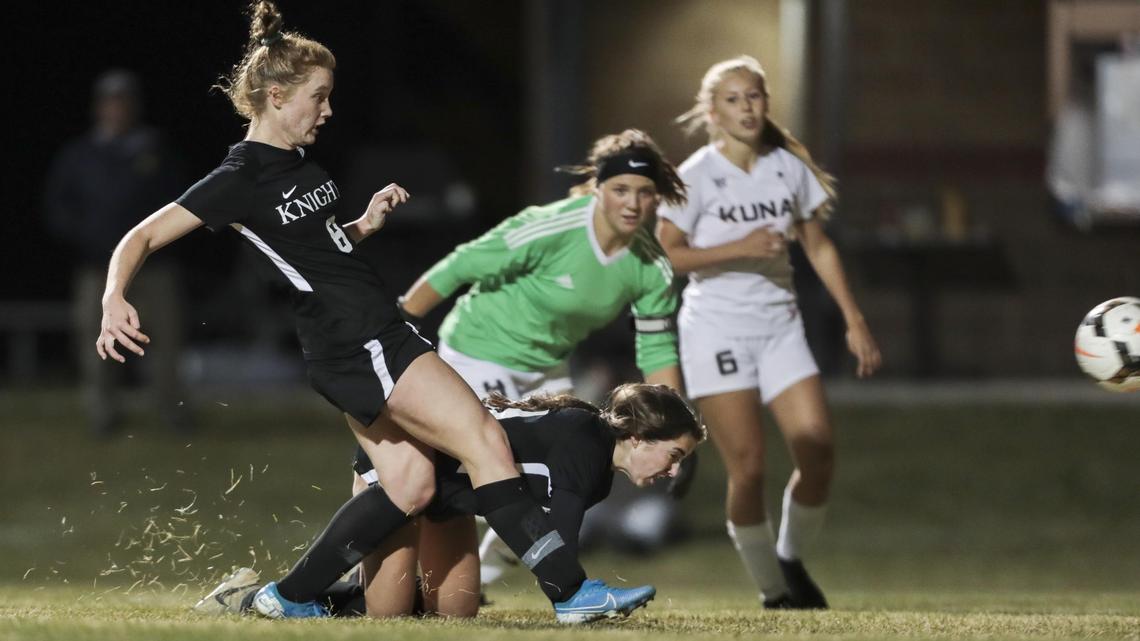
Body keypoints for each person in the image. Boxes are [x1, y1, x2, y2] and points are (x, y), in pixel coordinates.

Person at [95, 0, 654, 623]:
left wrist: (361, 225)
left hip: (359, 338)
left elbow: (315, 251)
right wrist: (114, 296)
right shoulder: (240, 175)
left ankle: (287, 599)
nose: (328, 110)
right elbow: (140, 236)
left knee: (411, 487)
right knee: (485, 439)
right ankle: (571, 595)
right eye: (319, 96)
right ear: (277, 96)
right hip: (361, 340)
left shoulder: (300, 166)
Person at [395, 128, 691, 584]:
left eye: (644, 192)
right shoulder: (555, 226)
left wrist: (672, 434)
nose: (632, 203)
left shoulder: (651, 267)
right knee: (452, 477)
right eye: (619, 190)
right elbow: (462, 264)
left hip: (547, 371)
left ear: (657, 199)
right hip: (478, 353)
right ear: (598, 188)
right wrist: (395, 332)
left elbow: (656, 348)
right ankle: (373, 575)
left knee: (569, 482)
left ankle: (483, 582)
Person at [656, 55, 882, 610]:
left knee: (818, 448)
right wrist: (740, 247)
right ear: (713, 112)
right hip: (716, 332)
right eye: (733, 100)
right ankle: (773, 590)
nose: (747, 108)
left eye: (754, 97)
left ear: (766, 103)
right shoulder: (696, 175)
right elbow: (667, 254)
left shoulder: (786, 167)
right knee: (749, 466)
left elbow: (818, 245)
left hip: (780, 328)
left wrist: (854, 319)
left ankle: (789, 557)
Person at [196, 383, 705, 619]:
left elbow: (529, 533)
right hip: (406, 470)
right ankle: (256, 597)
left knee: (455, 611)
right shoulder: (584, 441)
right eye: (674, 454)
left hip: (450, 501)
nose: (674, 470)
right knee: (388, 617)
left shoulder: (600, 479)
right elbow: (558, 551)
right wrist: (576, 597)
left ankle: (333, 594)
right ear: (638, 436)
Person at [44, 68, 190, 437]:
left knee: (165, 341)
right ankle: (103, 416)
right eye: (110, 101)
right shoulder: (80, 155)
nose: (117, 109)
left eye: (123, 101)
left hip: (154, 267)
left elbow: (184, 204)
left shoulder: (156, 150)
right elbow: (57, 206)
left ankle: (173, 414)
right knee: (96, 342)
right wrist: (87, 237)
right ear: (99, 107)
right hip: (97, 268)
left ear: (134, 106)